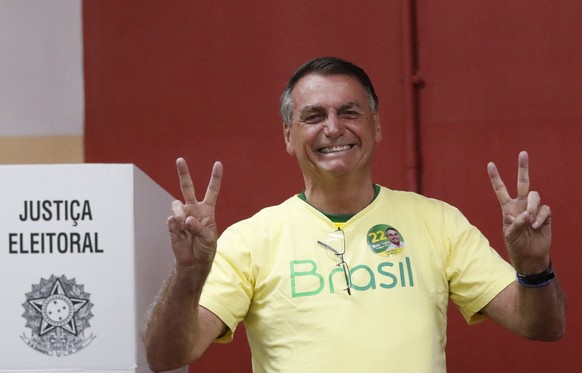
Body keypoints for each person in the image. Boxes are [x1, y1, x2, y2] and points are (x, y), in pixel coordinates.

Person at [144, 57, 565, 372]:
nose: (333, 128)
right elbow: (167, 356)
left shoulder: (437, 221)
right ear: (289, 137)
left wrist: (533, 266)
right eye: (313, 116)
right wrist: (188, 273)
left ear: (376, 126)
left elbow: (542, 326)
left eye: (349, 112)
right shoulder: (250, 239)